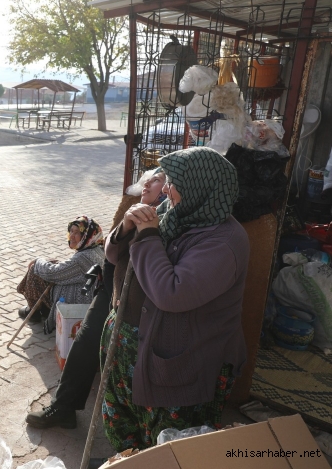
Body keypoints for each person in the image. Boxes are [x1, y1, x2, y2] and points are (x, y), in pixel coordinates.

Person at [101, 147, 249, 451]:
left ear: (200, 186)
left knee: (169, 447)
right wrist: (127, 226)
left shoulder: (223, 241)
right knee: (125, 427)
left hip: (177, 367)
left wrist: (147, 236)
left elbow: (171, 293)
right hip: (130, 347)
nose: (166, 189)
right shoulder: (174, 213)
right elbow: (115, 256)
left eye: (174, 183)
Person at [26, 169, 166, 429]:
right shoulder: (135, 210)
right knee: (84, 342)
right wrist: (125, 227)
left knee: (118, 359)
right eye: (149, 178)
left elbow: (158, 270)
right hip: (111, 289)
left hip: (138, 300)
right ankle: (64, 407)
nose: (147, 182)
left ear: (169, 189)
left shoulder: (168, 218)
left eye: (157, 180)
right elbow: (111, 254)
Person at [16, 216, 105, 332]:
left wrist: (38, 260)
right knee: (50, 264)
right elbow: (67, 268)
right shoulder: (98, 249)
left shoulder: (83, 258)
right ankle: (44, 308)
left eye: (77, 233)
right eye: (71, 231)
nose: (71, 235)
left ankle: (35, 311)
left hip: (78, 300)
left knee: (35, 271)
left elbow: (52, 273)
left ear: (86, 235)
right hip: (90, 296)